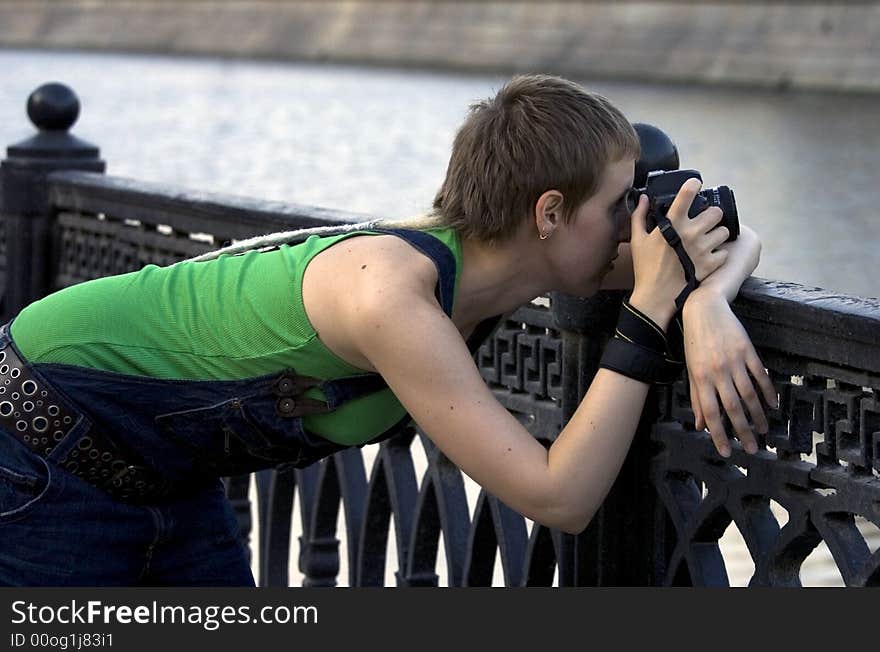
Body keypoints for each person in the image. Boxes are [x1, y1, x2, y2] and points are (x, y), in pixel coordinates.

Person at [0, 74, 776, 586]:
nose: (631, 223)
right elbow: (559, 496)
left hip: (164, 470)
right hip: (44, 440)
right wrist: (647, 318)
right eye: (619, 202)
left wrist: (706, 304)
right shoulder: (391, 298)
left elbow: (721, 233)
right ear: (547, 212)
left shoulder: (506, 252)